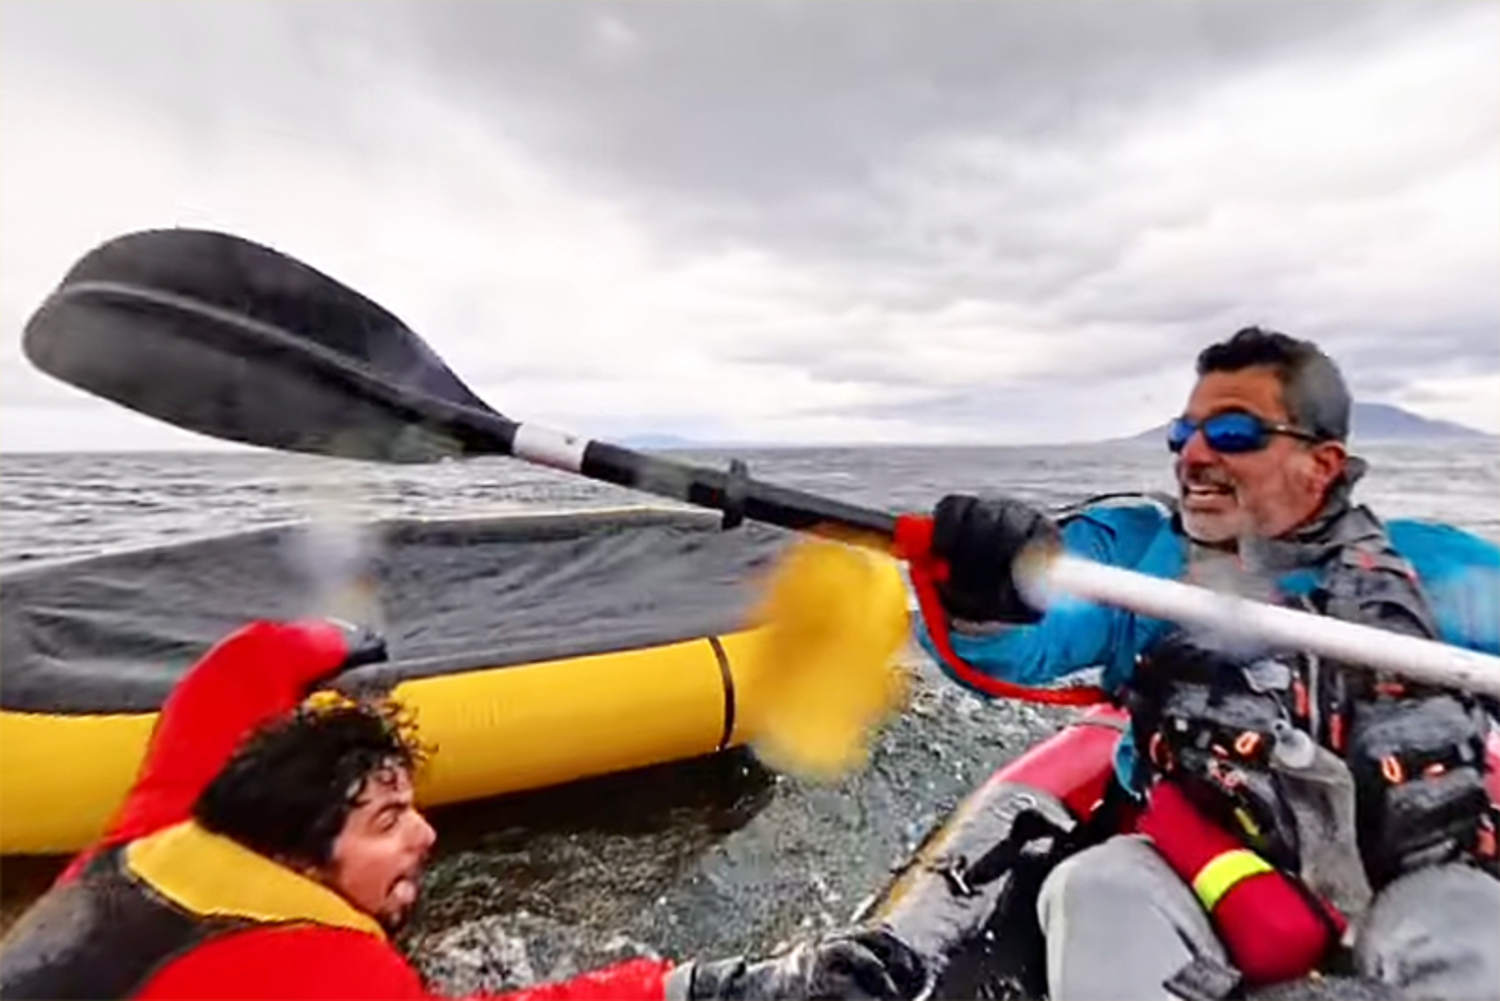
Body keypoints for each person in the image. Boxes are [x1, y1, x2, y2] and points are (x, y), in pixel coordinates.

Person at [916, 328, 1500, 1000]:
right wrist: (982, 594)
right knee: (1093, 887)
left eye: (1231, 432)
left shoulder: (1442, 570)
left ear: (1322, 462)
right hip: (1196, 867)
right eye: (1182, 432)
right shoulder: (1136, 560)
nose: (1192, 455)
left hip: (1415, 878)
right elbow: (1021, 642)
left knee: (1480, 929)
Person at [0, 618, 926, 1000]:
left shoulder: (156, 827)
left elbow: (228, 677)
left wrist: (325, 639)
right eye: (387, 819)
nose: (427, 833)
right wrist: (722, 984)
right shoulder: (328, 970)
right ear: (295, 856)